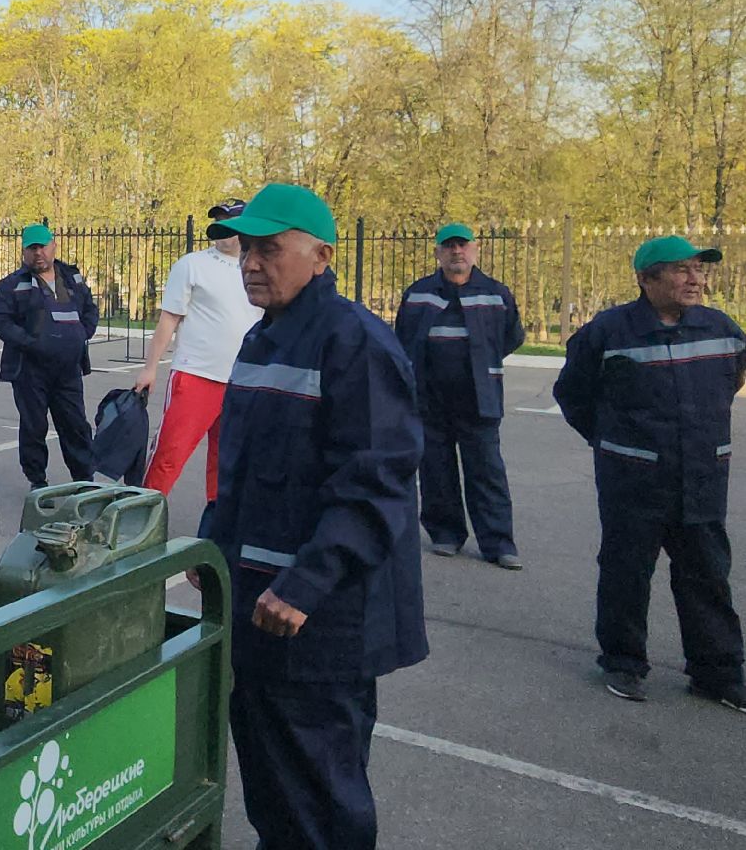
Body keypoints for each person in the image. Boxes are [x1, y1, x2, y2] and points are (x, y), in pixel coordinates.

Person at [197, 183, 427, 850]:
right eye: (246, 249)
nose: (250, 263)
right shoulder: (264, 336)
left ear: (322, 255)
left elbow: (375, 486)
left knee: (320, 801)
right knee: (275, 789)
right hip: (258, 608)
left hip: (318, 621)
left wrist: (303, 584)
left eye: (269, 249)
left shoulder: (354, 341)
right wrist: (213, 548)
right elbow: (241, 470)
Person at [552, 235, 745, 710]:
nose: (695, 279)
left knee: (707, 574)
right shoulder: (608, 332)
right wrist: (613, 443)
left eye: (699, 269)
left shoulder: (721, 329)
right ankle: (623, 662)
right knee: (627, 572)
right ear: (646, 279)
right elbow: (573, 394)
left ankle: (717, 672)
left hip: (702, 476)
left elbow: (732, 381)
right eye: (681, 270)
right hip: (633, 481)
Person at [394, 223, 526, 569]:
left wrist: (481, 364)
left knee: (486, 470)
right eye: (449, 246)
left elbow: (512, 337)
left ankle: (498, 543)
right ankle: (445, 534)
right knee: (436, 469)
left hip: (479, 399)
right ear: (438, 252)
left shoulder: (496, 294)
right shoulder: (418, 294)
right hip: (429, 399)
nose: (456, 252)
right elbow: (403, 338)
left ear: (475, 250)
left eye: (462, 245)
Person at [134, 198, 262, 500]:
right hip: (196, 375)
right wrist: (150, 368)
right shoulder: (192, 265)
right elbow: (169, 318)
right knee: (169, 454)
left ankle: (218, 521)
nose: (222, 229)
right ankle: (143, 514)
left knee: (226, 462)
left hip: (241, 380)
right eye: (218, 223)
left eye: (229, 223)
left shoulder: (256, 268)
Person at [0, 223, 99, 489]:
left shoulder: (72, 278)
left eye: (42, 247)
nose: (38, 253)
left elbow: (90, 310)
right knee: (34, 427)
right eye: (32, 248)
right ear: (24, 251)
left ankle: (84, 481)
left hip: (68, 370)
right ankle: (37, 481)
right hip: (30, 371)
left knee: (75, 425)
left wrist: (80, 334)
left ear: (53, 246)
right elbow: (0, 320)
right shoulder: (12, 285)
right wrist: (31, 343)